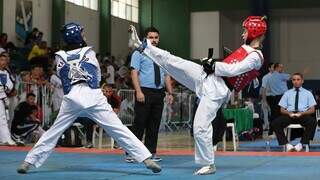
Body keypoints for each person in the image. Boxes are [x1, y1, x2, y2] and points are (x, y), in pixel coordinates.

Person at [128, 16, 267, 175]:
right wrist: (211, 64)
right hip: (208, 77)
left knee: (200, 127)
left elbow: (233, 70)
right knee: (173, 61)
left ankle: (208, 164)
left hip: (217, 89)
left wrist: (214, 65)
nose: (242, 34)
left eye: (245, 31)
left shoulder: (257, 56)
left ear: (254, 32)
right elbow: (234, 69)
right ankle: (141, 45)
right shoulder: (246, 50)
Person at [16, 22, 161, 174]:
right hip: (92, 96)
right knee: (118, 129)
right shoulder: (89, 53)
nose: (84, 35)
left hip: (71, 98)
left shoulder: (59, 56)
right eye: (82, 32)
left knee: (53, 131)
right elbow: (96, 77)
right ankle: (146, 159)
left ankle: (28, 161)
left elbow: (63, 78)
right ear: (77, 36)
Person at [129, 27, 174, 162]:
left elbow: (166, 75)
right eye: (151, 37)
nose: (153, 40)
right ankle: (132, 154)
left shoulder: (162, 54)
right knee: (139, 123)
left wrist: (170, 93)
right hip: (144, 91)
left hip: (159, 93)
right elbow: (134, 73)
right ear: (145, 38)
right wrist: (138, 91)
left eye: (156, 37)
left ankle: (151, 153)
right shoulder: (139, 52)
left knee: (154, 125)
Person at [271, 73, 317, 152]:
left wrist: (302, 113)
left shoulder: (308, 93)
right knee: (275, 122)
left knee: (312, 122)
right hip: (290, 114)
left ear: (302, 81)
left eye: (298, 79)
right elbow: (282, 109)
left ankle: (301, 144)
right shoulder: (287, 93)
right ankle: (286, 144)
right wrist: (289, 113)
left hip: (302, 114)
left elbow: (312, 109)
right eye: (294, 80)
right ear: (292, 81)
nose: (296, 81)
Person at [265, 63, 290, 136]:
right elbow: (293, 77)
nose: (282, 69)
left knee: (274, 115)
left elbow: (268, 90)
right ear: (277, 68)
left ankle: (271, 131)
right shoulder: (281, 75)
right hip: (282, 97)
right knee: (283, 114)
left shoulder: (269, 77)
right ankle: (283, 131)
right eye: (281, 67)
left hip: (274, 98)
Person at [0, 52, 15, 145]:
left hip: (1, 98)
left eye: (5, 60)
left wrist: (6, 88)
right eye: (1, 60)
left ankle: (6, 139)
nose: (3, 62)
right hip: (2, 96)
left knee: (3, 118)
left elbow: (10, 84)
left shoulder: (6, 72)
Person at [260, 63, 274, 130]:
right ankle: (266, 126)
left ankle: (273, 127)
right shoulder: (266, 77)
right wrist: (264, 100)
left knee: (273, 114)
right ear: (269, 68)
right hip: (267, 97)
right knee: (265, 113)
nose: (274, 68)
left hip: (275, 98)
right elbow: (263, 89)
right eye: (273, 67)